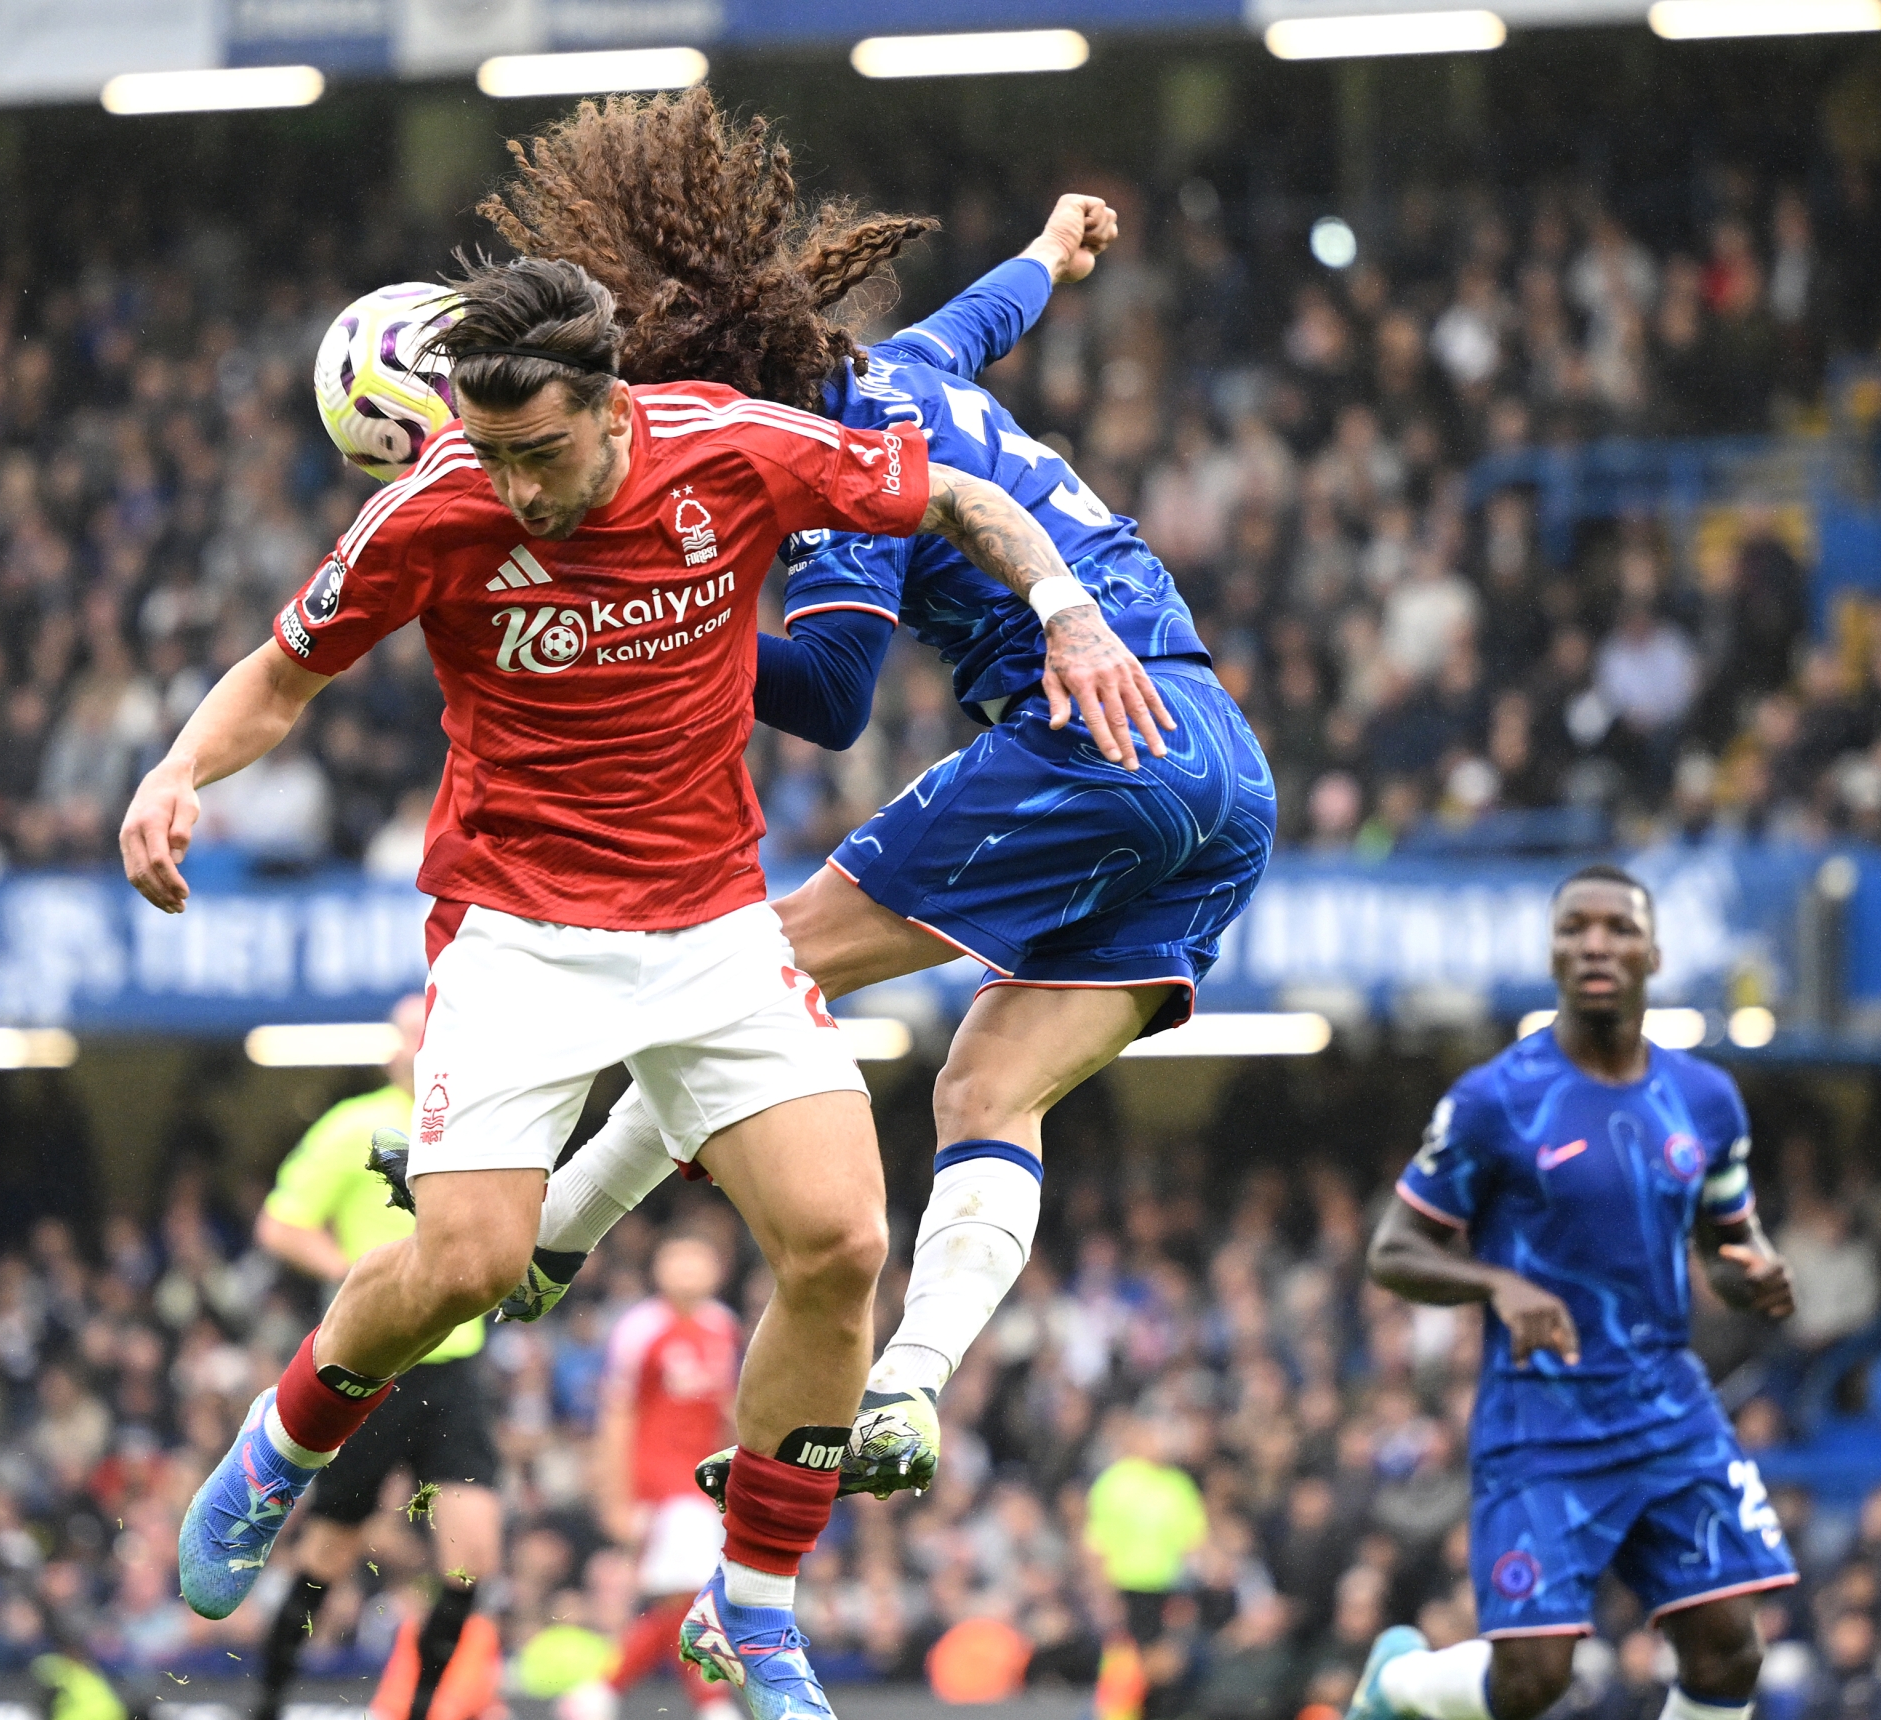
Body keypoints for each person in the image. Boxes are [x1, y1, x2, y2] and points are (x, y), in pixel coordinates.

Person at [124, 252, 1150, 1720]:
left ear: (611, 408)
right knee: (466, 1263)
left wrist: (1065, 609)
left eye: (541, 451)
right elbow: (285, 676)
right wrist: (177, 773)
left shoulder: (730, 447)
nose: (517, 488)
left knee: (842, 1245)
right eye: (490, 450)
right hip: (518, 937)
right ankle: (282, 1440)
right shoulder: (435, 506)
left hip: (713, 932)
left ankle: (758, 1607)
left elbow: (952, 498)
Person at [472, 95, 1279, 1508]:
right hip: (1221, 762)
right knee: (984, 1086)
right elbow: (980, 321)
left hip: (1090, 734)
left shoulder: (837, 462)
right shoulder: (902, 365)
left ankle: (559, 1229)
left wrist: (669, 625)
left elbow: (837, 691)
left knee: (749, 968)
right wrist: (1049, 252)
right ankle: (906, 1389)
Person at [1348, 865, 1800, 1720]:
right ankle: (1400, 1679)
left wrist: (1755, 1277)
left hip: (1669, 1407)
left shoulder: (1707, 1101)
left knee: (1727, 1644)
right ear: (1553, 954)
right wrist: (1496, 1285)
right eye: (1575, 928)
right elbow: (1393, 1249)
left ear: (1652, 954)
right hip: (1543, 1424)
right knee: (1533, 1682)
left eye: (1619, 928)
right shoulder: (1497, 1099)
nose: (1596, 943)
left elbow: (1727, 1239)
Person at [234, 991, 501, 1720]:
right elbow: (282, 1223)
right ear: (393, 1050)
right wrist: (358, 1280)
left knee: (474, 1553)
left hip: (455, 1365)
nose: (417, 1049)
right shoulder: (357, 1126)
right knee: (330, 1555)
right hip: (375, 1365)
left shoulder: (479, 1125)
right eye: (408, 1037)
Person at [555, 1231, 762, 1720]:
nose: (689, 1267)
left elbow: (725, 1412)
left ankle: (598, 1693)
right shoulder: (640, 1328)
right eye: (679, 1256)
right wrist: (615, 1494)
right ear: (658, 1269)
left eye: (700, 1255)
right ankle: (711, 1715)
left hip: (699, 1481)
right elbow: (617, 1413)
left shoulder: (723, 1326)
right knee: (693, 1597)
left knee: (683, 1602)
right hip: (658, 1480)